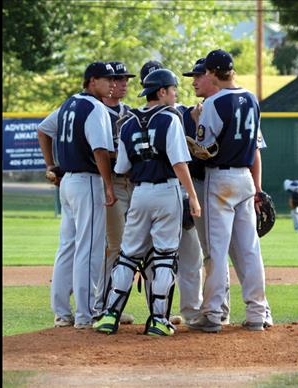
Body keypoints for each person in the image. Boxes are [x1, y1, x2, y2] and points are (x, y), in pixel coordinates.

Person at [93, 68, 201, 336]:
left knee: (128, 255)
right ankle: (158, 320)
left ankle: (109, 316)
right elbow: (178, 163)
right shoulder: (170, 119)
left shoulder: (128, 122)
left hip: (139, 192)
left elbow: (122, 167)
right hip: (167, 191)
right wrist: (194, 197)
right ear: (162, 91)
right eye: (173, 89)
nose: (176, 94)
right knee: (164, 256)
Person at [182, 58, 273, 328]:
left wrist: (197, 122)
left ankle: (212, 313)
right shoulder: (252, 98)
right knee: (249, 250)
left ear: (212, 73)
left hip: (219, 179)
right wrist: (257, 190)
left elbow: (204, 148)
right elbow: (255, 147)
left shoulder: (213, 103)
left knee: (217, 251)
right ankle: (258, 313)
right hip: (244, 178)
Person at [37, 61, 117, 329]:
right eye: (107, 79)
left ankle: (61, 312)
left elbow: (43, 129)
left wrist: (51, 165)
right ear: (92, 81)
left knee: (68, 247)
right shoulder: (95, 107)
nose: (112, 84)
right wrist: (108, 185)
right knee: (90, 248)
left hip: (68, 182)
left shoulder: (70, 103)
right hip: (88, 182)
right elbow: (100, 151)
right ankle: (86, 314)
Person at [138, 60, 202, 325]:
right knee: (158, 258)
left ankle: (191, 311)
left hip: (177, 191)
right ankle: (160, 312)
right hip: (168, 192)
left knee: (189, 255)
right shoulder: (139, 118)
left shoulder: (186, 112)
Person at [94, 61, 136, 325]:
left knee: (138, 249)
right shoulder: (96, 111)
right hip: (110, 183)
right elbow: (97, 150)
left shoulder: (131, 113)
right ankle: (103, 306)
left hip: (134, 185)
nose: (122, 83)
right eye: (117, 79)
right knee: (115, 248)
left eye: (125, 79)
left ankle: (115, 306)